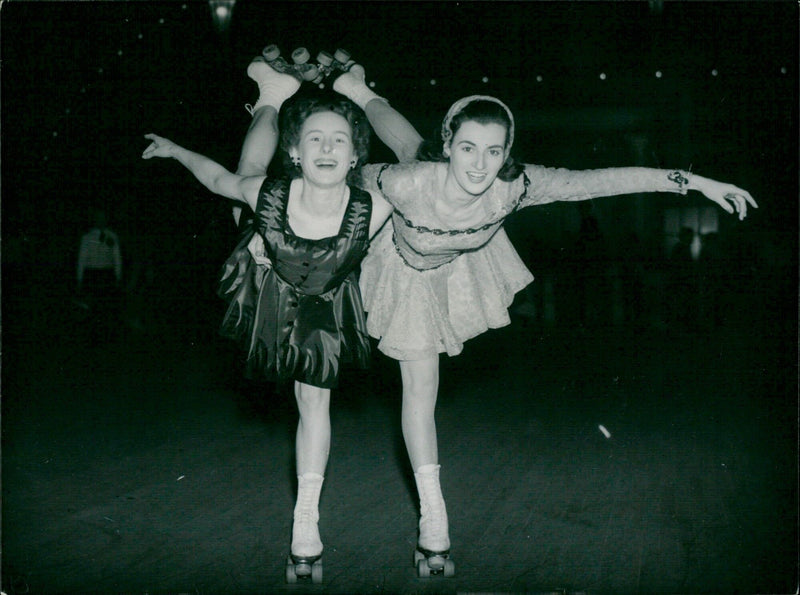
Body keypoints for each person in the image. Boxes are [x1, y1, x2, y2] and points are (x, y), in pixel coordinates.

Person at [232, 52, 759, 578]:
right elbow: (331, 191)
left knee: (421, 394)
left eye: (493, 151)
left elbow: (605, 179)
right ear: (451, 146)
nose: (480, 166)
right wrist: (270, 236)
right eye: (466, 149)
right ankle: (287, 94)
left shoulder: (518, 185)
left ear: (508, 152)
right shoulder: (404, 181)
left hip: (433, 278)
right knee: (346, 167)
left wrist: (700, 184)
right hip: (380, 254)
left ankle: (433, 523)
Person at [141, 88, 399, 583]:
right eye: (314, 139)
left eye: (338, 140)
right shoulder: (270, 193)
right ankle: (270, 101)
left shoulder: (376, 208)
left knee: (313, 403)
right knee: (244, 174)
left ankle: (306, 519)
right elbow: (217, 178)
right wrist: (176, 151)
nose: (326, 148)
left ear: (355, 155)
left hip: (323, 302)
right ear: (297, 152)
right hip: (264, 265)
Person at [76, 207, 123, 339]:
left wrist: (118, 276)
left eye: (102, 217)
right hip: (95, 274)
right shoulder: (88, 237)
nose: (100, 220)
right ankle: (96, 334)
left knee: (103, 306)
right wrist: (80, 278)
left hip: (103, 274)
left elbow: (117, 257)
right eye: (98, 217)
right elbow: (82, 259)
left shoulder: (111, 236)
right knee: (95, 305)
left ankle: (102, 333)